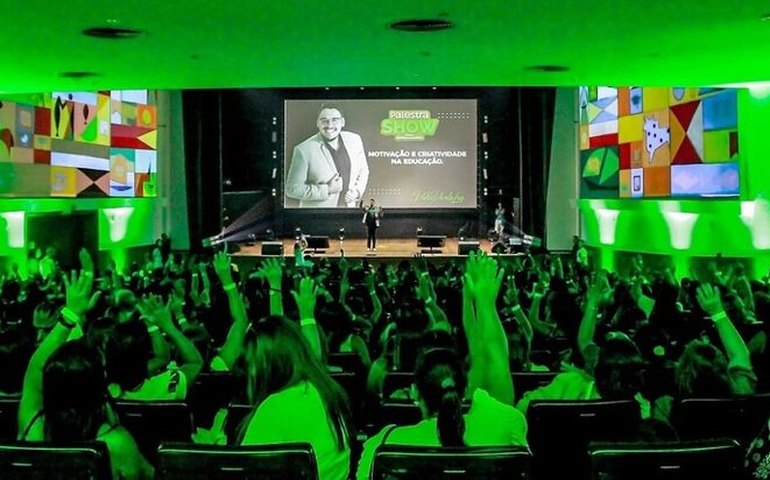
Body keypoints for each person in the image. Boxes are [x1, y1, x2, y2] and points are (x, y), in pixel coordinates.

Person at [286, 104, 369, 208]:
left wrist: (357, 192)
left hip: (348, 211)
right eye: (324, 120)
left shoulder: (355, 140)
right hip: (317, 216)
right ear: (318, 123)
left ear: (342, 122)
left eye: (335, 120)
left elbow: (363, 170)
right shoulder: (303, 150)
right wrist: (327, 189)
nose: (329, 125)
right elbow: (292, 189)